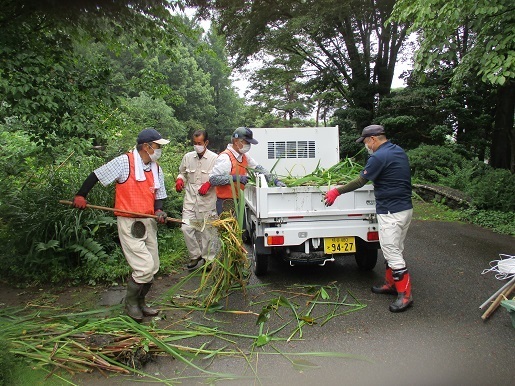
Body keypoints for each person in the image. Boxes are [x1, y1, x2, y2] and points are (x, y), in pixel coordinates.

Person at [72, 127, 170, 322]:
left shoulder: (155, 167)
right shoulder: (125, 162)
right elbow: (97, 175)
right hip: (129, 221)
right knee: (144, 267)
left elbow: (158, 195)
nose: (159, 149)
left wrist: (159, 211)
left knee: (154, 266)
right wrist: (81, 195)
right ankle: (130, 304)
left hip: (148, 221)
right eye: (157, 146)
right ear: (146, 146)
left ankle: (141, 302)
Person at [324, 125, 414, 312]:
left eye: (365, 142)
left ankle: (405, 296)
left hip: (390, 211)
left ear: (373, 139)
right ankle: (390, 284)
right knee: (395, 248)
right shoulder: (397, 150)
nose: (366, 146)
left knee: (392, 251)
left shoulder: (379, 156)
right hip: (404, 209)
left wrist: (336, 191)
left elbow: (360, 181)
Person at [209, 127, 286, 215]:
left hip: (240, 200)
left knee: (242, 228)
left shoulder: (245, 156)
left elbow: (258, 168)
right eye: (246, 142)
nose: (248, 145)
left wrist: (274, 180)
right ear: (236, 141)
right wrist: (235, 178)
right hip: (226, 203)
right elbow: (213, 179)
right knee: (229, 228)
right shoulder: (225, 157)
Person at [175, 129, 218, 270]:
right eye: (194, 143)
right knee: (186, 227)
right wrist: (180, 180)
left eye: (199, 143)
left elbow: (220, 177)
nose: (197, 145)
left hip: (207, 201)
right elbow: (182, 173)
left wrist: (210, 183)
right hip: (190, 200)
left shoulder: (214, 158)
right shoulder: (188, 157)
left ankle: (208, 259)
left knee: (207, 231)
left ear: (206, 142)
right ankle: (195, 255)